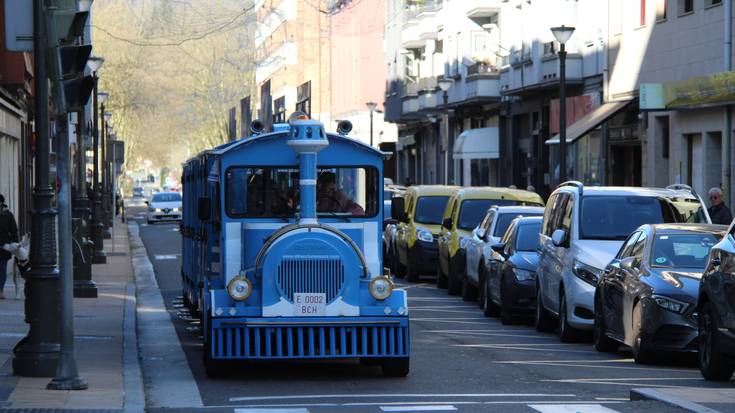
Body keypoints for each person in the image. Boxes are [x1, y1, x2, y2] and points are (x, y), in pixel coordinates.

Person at [0, 194, 19, 300]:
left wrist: (15, 245)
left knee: (2, 269)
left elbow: (14, 231)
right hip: (4, 246)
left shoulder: (8, 215)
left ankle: (1, 291)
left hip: (4, 246)